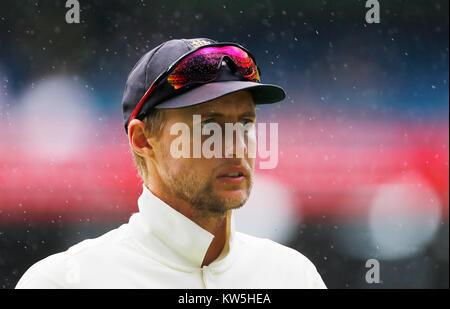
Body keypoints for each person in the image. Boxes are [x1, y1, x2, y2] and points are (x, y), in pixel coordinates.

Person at [16, 38, 326, 288]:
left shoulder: (295, 277)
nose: (236, 145)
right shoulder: (62, 281)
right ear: (143, 140)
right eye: (209, 127)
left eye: (245, 124)